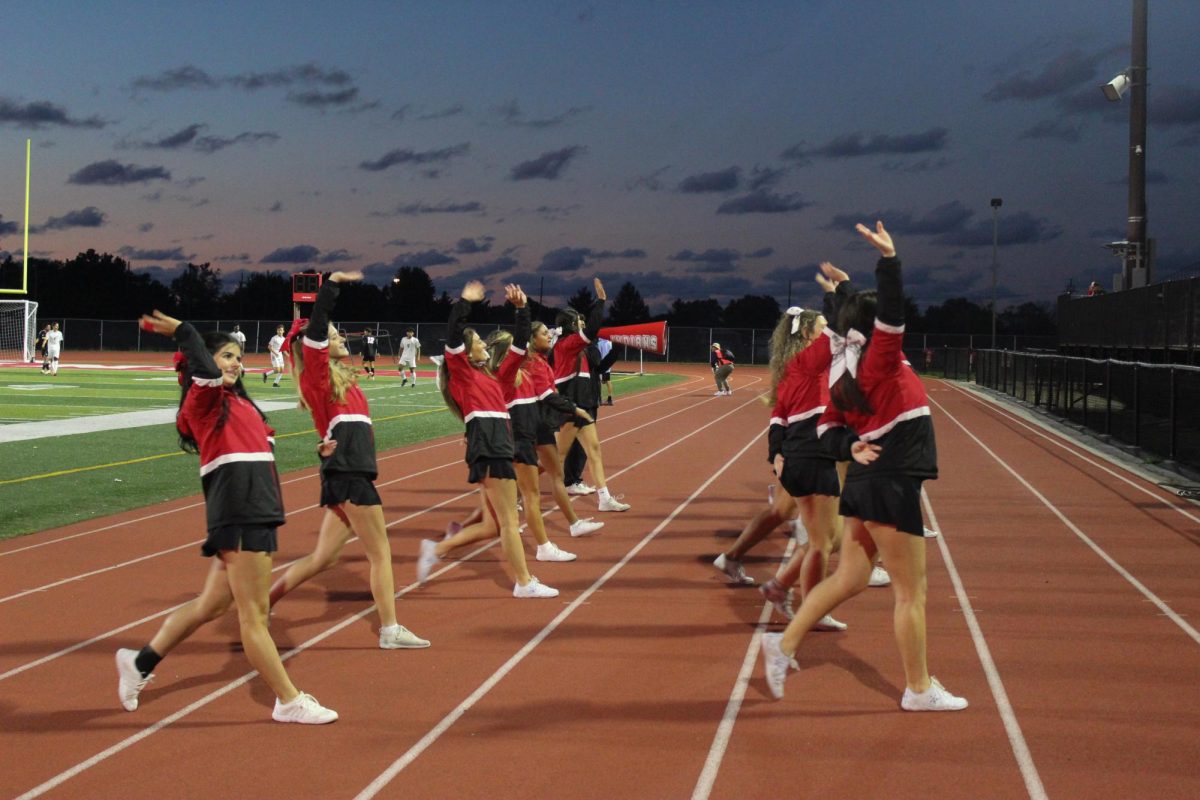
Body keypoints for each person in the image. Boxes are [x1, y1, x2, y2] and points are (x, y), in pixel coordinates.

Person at [760, 221, 968, 712]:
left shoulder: (843, 367)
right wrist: (890, 260)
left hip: (870, 480)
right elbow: (890, 315)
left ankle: (784, 643)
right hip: (891, 482)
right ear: (873, 332)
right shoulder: (879, 359)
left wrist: (849, 446)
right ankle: (918, 689)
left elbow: (828, 427)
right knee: (911, 593)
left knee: (852, 576)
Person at [115, 310, 337, 724]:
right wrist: (186, 332)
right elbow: (201, 370)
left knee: (210, 606)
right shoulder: (202, 403)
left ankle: (140, 662)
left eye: (238, 356)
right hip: (239, 511)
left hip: (255, 508)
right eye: (226, 356)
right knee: (254, 616)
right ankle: (287, 700)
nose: (236, 362)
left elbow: (252, 453)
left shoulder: (238, 403)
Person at [270, 271, 429, 649]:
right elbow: (317, 330)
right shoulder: (316, 376)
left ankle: (263, 601)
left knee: (323, 559)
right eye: (335, 336)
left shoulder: (342, 379)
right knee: (381, 553)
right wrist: (332, 286)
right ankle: (389, 630)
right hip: (349, 473)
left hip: (347, 470)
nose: (340, 339)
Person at [425, 280, 558, 598]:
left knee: (503, 522)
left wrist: (522, 308)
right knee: (509, 523)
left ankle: (521, 578)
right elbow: (455, 334)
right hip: (489, 446)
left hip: (499, 446)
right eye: (480, 343)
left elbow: (519, 343)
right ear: (467, 352)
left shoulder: (495, 377)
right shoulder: (462, 374)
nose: (486, 345)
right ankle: (524, 583)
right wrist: (465, 302)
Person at [553, 279, 630, 512]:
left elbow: (596, 367)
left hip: (584, 404)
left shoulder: (581, 347)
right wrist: (601, 301)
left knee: (594, 450)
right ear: (570, 324)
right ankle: (519, 492)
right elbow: (593, 327)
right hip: (570, 405)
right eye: (577, 321)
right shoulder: (566, 344)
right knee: (554, 458)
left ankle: (604, 498)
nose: (581, 324)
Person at [597, 337, 615, 405]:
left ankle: (599, 399)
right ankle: (609, 398)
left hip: (602, 364)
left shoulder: (600, 343)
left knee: (599, 382)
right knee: (608, 381)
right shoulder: (609, 342)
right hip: (608, 364)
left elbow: (599, 355)